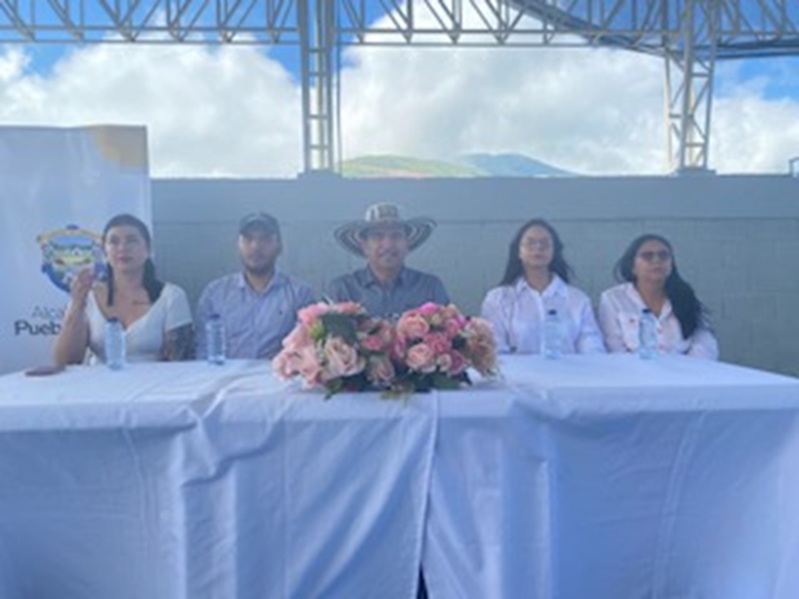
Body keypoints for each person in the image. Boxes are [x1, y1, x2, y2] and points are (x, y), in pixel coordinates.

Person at [54, 213, 194, 365]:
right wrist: (77, 304)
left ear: (148, 249)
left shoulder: (171, 296)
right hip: (99, 384)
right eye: (114, 242)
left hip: (156, 385)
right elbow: (64, 361)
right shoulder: (88, 295)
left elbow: (180, 363)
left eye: (131, 241)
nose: (122, 248)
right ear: (105, 252)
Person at [195, 212, 315, 360]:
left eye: (265, 239)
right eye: (248, 239)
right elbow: (203, 351)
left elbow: (306, 351)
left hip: (280, 379)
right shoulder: (215, 294)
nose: (256, 247)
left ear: (279, 246)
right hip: (226, 380)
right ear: (238, 245)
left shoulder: (299, 294)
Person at [481, 218, 605, 354]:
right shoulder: (498, 299)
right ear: (518, 251)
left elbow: (591, 345)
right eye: (530, 243)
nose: (538, 248)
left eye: (545, 243)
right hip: (517, 374)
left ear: (554, 251)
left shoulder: (578, 300)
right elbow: (495, 349)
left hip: (569, 373)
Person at [598, 233, 719, 359]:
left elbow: (704, 343)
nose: (657, 261)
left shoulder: (685, 296)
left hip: (684, 373)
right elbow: (614, 346)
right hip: (633, 374)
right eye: (647, 256)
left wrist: (687, 372)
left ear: (671, 265)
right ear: (632, 267)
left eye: (663, 256)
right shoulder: (613, 299)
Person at [327, 202, 450, 318]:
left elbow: (450, 333)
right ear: (365, 246)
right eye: (377, 236)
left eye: (396, 236)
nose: (388, 245)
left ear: (408, 244)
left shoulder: (430, 287)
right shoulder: (342, 289)